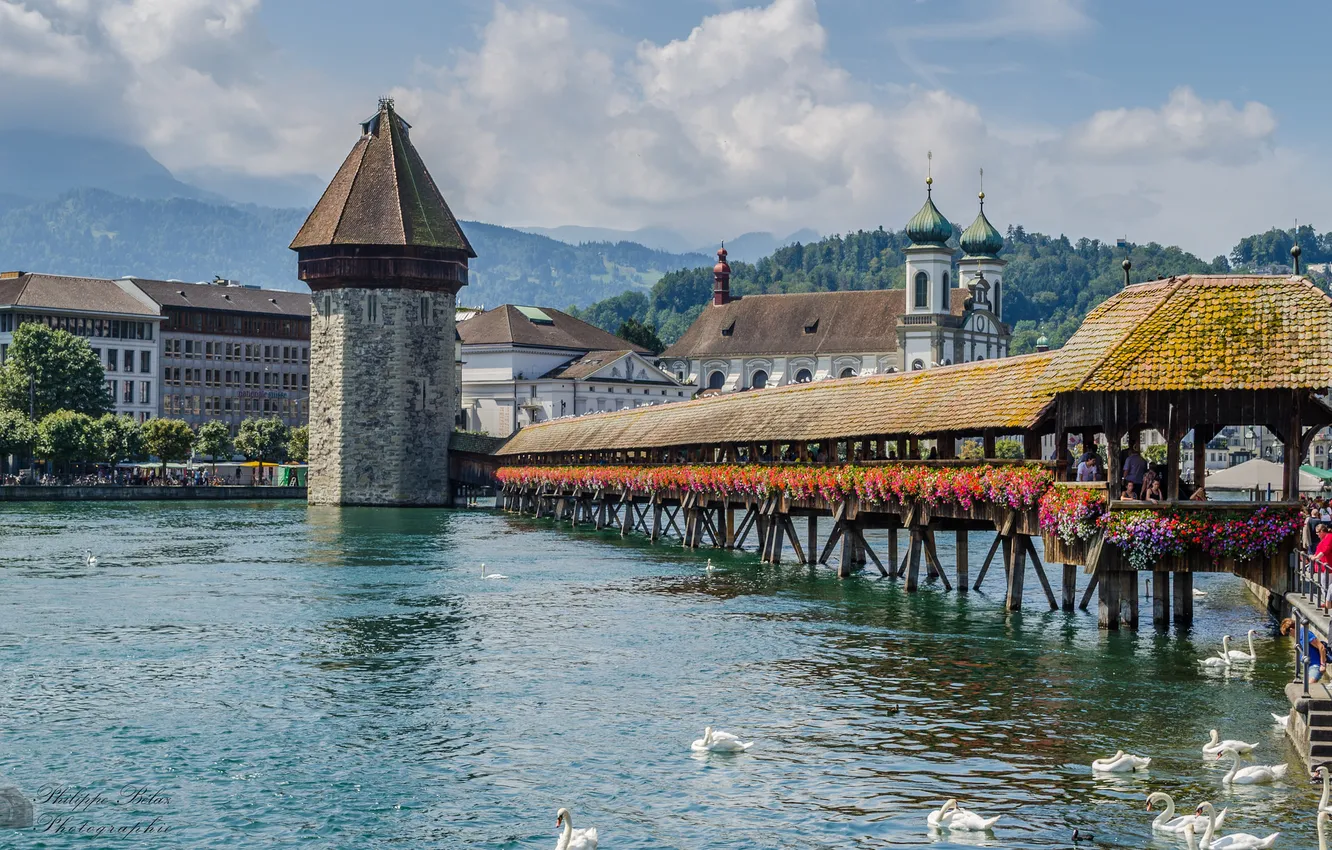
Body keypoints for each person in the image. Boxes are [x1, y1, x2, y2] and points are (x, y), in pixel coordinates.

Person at [1281, 618, 1326, 682]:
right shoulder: (1299, 636)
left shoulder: (1305, 633)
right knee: (1305, 686)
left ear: (1291, 630)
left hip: (1315, 665)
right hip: (1308, 665)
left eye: (1288, 633)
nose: (1290, 635)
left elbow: (1321, 647)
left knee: (1309, 685)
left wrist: (1323, 665)